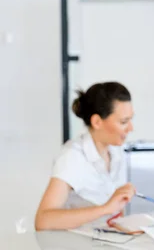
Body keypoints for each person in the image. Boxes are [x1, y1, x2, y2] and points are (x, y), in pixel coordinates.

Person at [35, 82, 136, 231]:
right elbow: (43, 221)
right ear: (97, 122)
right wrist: (105, 209)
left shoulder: (116, 151)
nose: (131, 128)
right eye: (123, 122)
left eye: (130, 119)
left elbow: (117, 211)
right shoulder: (72, 157)